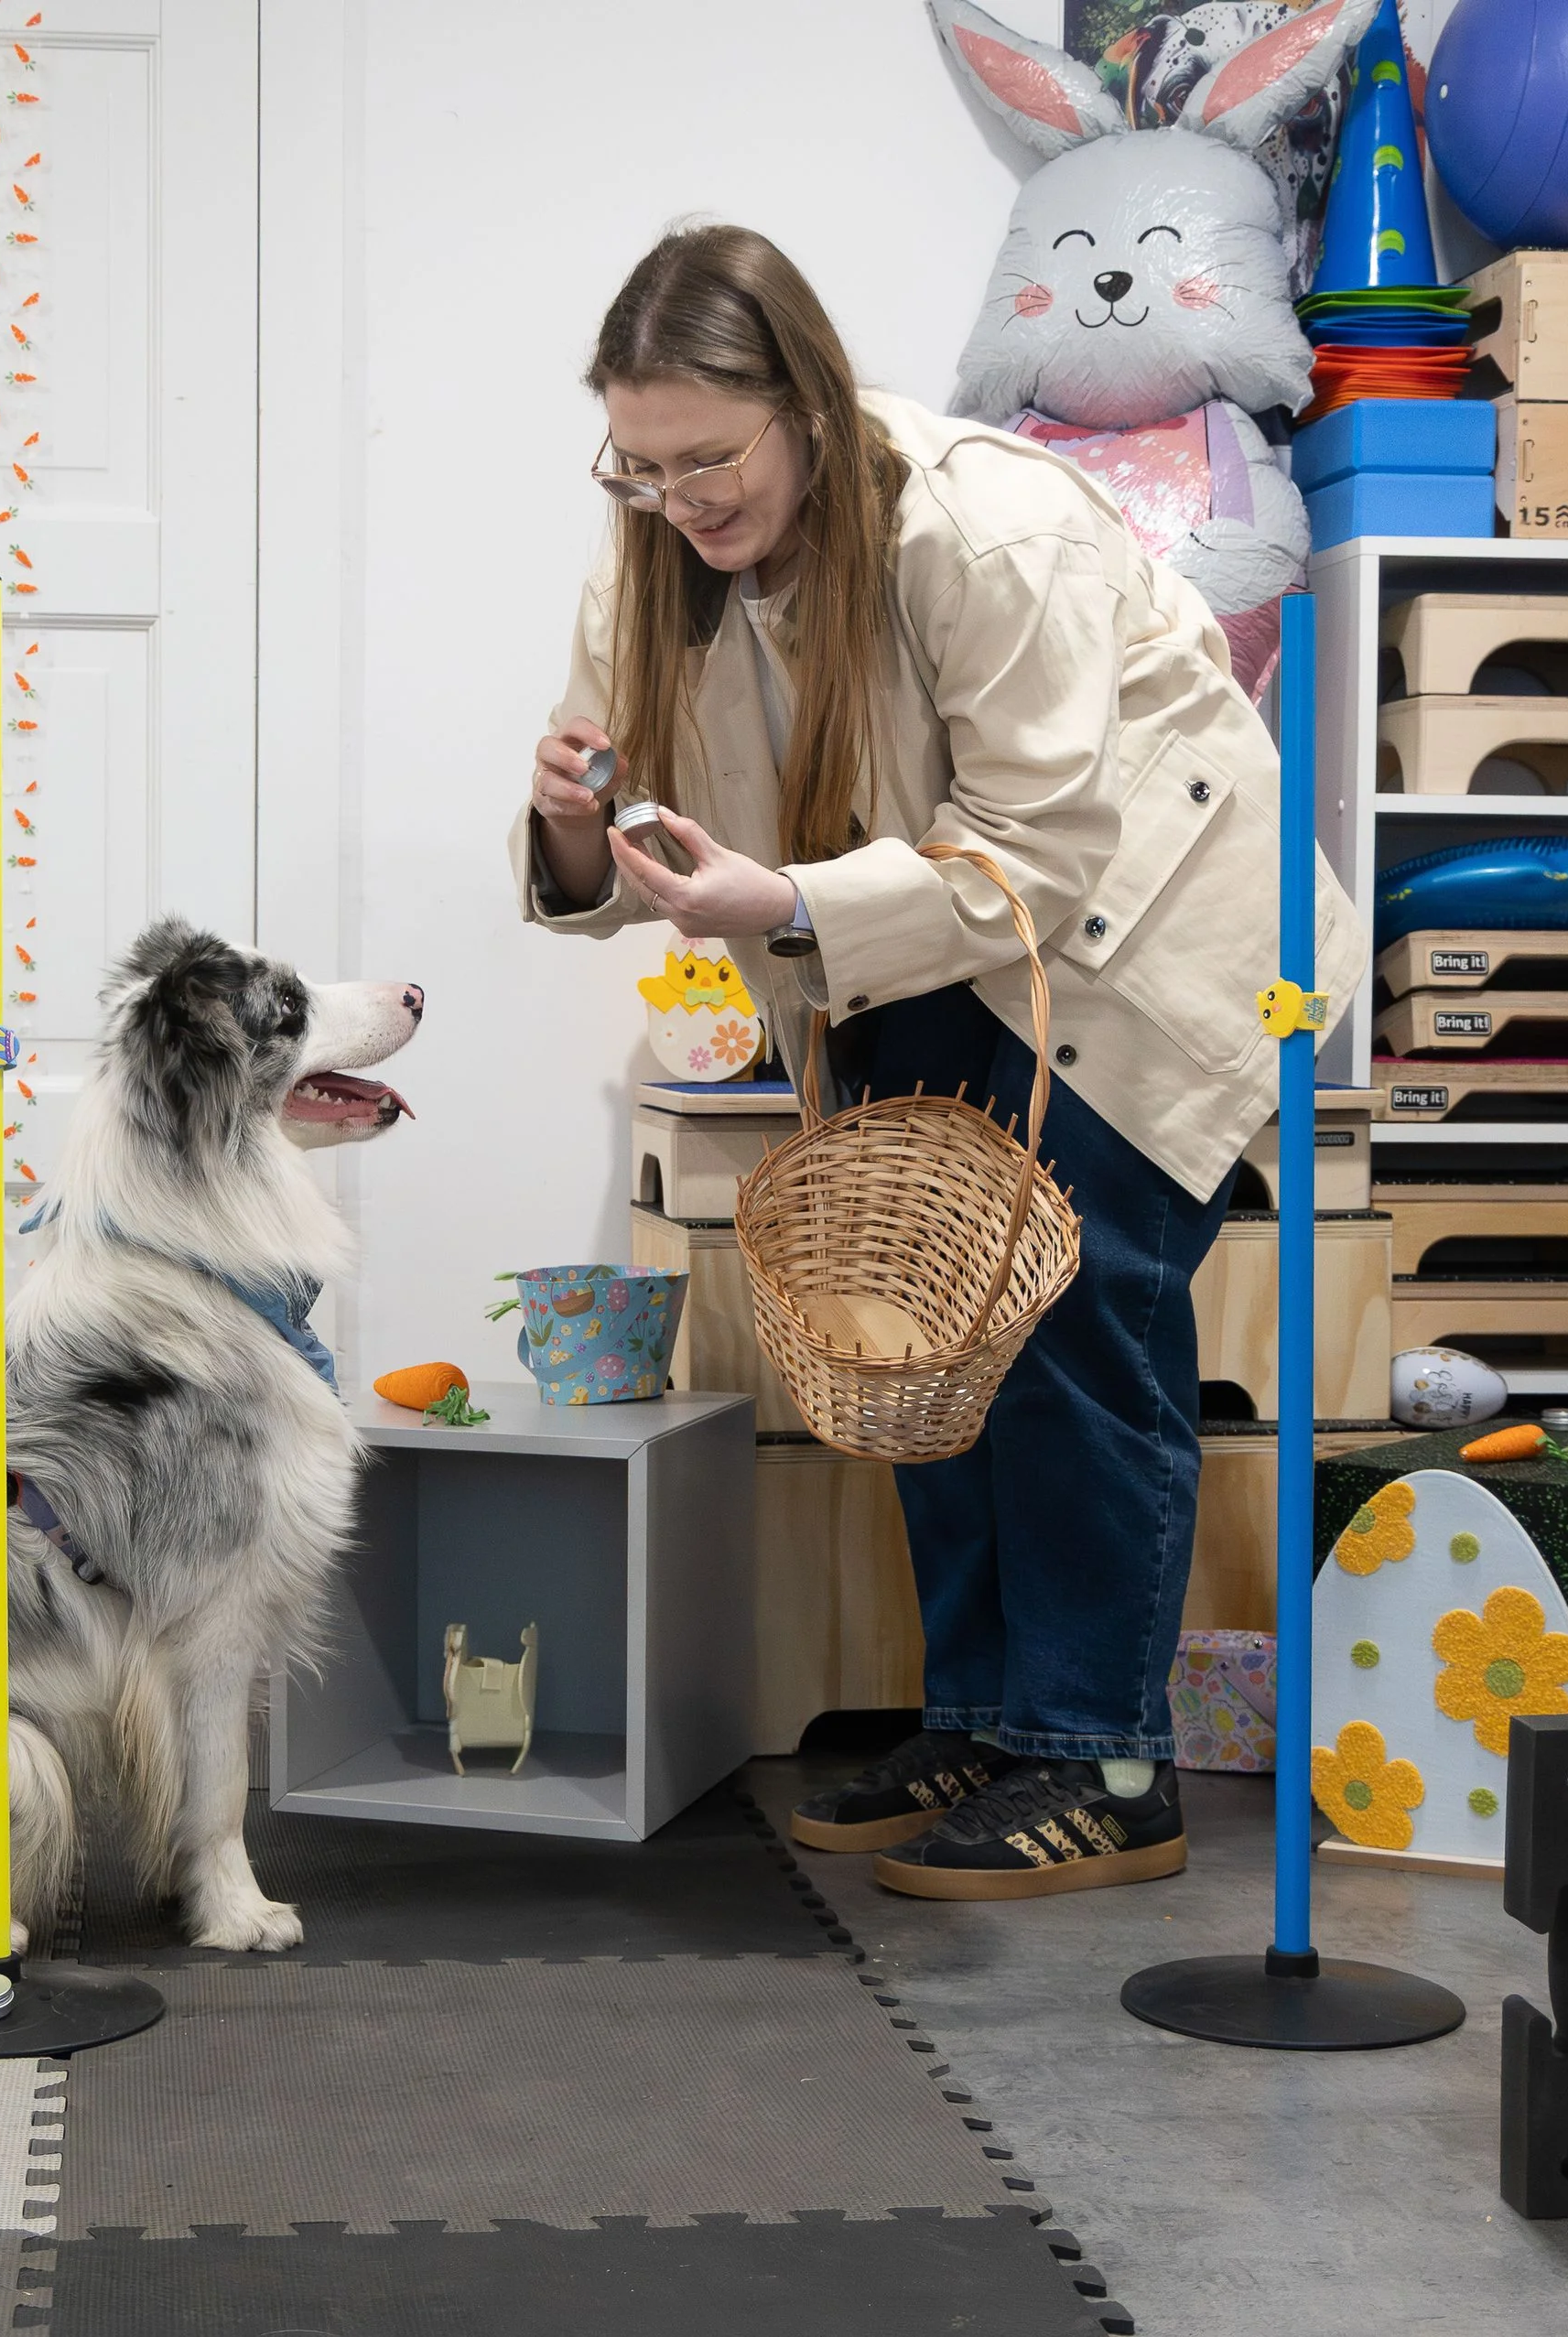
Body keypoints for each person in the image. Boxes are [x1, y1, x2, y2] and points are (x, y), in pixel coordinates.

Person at [510, 223, 1355, 1900]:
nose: (680, 495)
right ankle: (988, 1714)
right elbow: (623, 855)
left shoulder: (989, 522)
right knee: (927, 1332)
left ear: (806, 403)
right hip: (907, 934)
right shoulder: (655, 553)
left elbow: (1038, 849)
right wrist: (572, 825)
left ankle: (1104, 1758)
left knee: (1079, 1307)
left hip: (1141, 940)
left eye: (709, 456)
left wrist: (789, 897)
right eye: (645, 459)